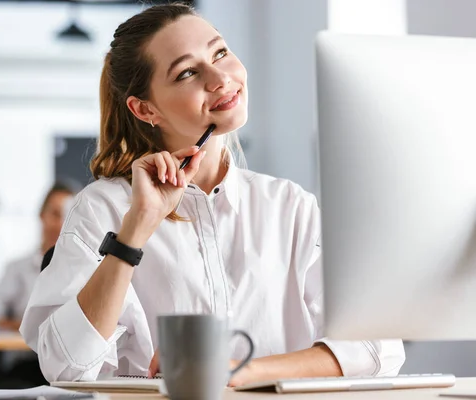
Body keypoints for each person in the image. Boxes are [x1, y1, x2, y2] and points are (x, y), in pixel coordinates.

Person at [20, 4, 405, 387]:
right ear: (145, 108)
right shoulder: (102, 209)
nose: (220, 78)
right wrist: (135, 231)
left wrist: (242, 371)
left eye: (220, 52)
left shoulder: (290, 206)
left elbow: (378, 347)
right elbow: (66, 366)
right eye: (187, 72)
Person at [0, 181, 75, 388]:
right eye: (55, 214)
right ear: (42, 216)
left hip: (70, 369)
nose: (61, 223)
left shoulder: (86, 273)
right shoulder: (17, 268)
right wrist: (24, 327)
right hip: (25, 365)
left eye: (68, 215)